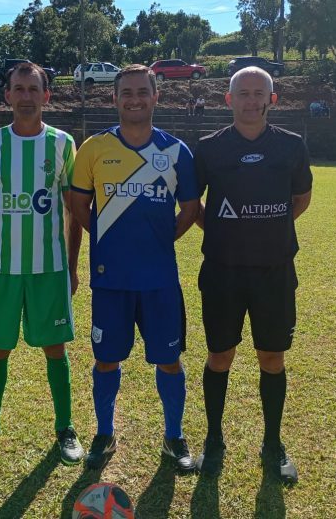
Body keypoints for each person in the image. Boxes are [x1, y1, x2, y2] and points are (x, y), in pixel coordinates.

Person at [70, 64, 201, 472]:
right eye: (126, 92)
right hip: (111, 279)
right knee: (107, 359)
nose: (135, 99)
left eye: (143, 91)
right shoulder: (93, 148)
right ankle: (104, 433)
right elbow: (78, 205)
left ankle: (174, 436)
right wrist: (107, 236)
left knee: (169, 359)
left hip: (159, 279)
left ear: (156, 96)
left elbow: (190, 209)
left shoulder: (177, 152)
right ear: (114, 98)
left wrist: (159, 240)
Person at [193, 67, 312, 484]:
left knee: (272, 358)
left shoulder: (291, 146)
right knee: (219, 356)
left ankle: (272, 444)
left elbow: (301, 198)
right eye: (242, 93)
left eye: (258, 93)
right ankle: (214, 440)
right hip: (222, 271)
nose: (250, 100)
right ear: (229, 99)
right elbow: (193, 205)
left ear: (271, 99)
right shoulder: (209, 148)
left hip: (274, 272)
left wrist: (268, 229)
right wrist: (225, 228)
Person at [0, 62, 84, 467]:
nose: (27, 96)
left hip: (49, 267)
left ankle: (65, 428)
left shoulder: (63, 144)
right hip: (2, 268)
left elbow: (72, 210)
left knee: (55, 347)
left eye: (34, 89)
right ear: (8, 95)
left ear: (46, 95)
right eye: (19, 88)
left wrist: (72, 266)